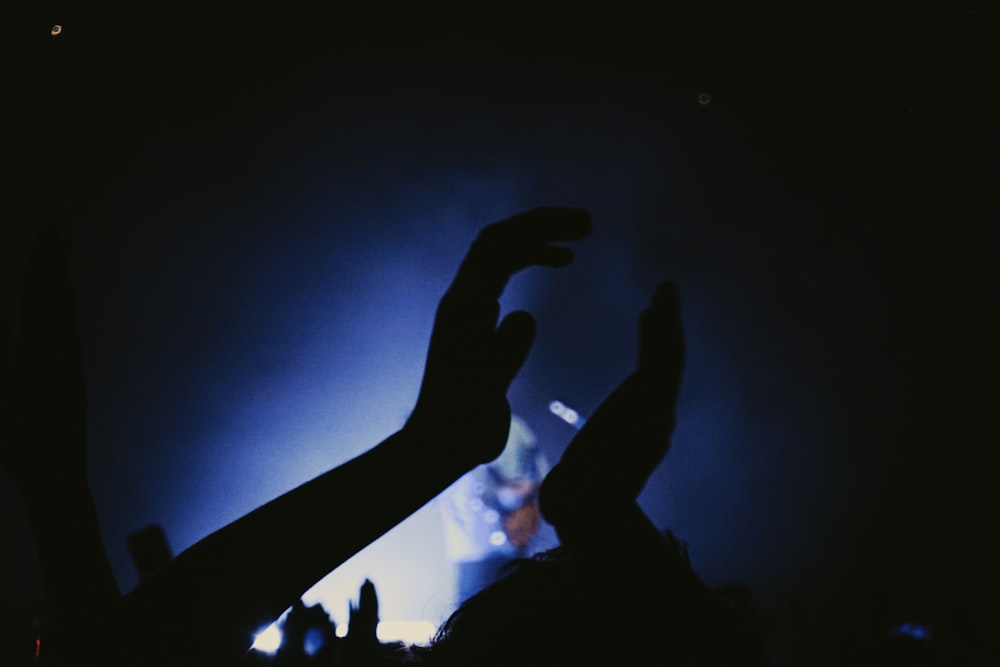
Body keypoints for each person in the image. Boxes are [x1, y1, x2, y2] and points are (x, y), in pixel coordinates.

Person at [437, 414, 549, 605]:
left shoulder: (512, 427)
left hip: (509, 551)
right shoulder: (440, 430)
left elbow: (537, 477)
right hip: (470, 551)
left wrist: (525, 504)